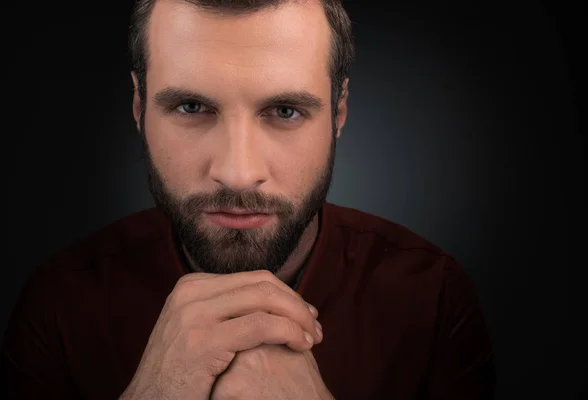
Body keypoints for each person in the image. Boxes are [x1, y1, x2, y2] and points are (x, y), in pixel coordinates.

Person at [0, 0, 495, 398]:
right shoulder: (59, 303)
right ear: (138, 106)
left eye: (285, 110)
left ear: (339, 112)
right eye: (192, 106)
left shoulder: (433, 300)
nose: (237, 173)